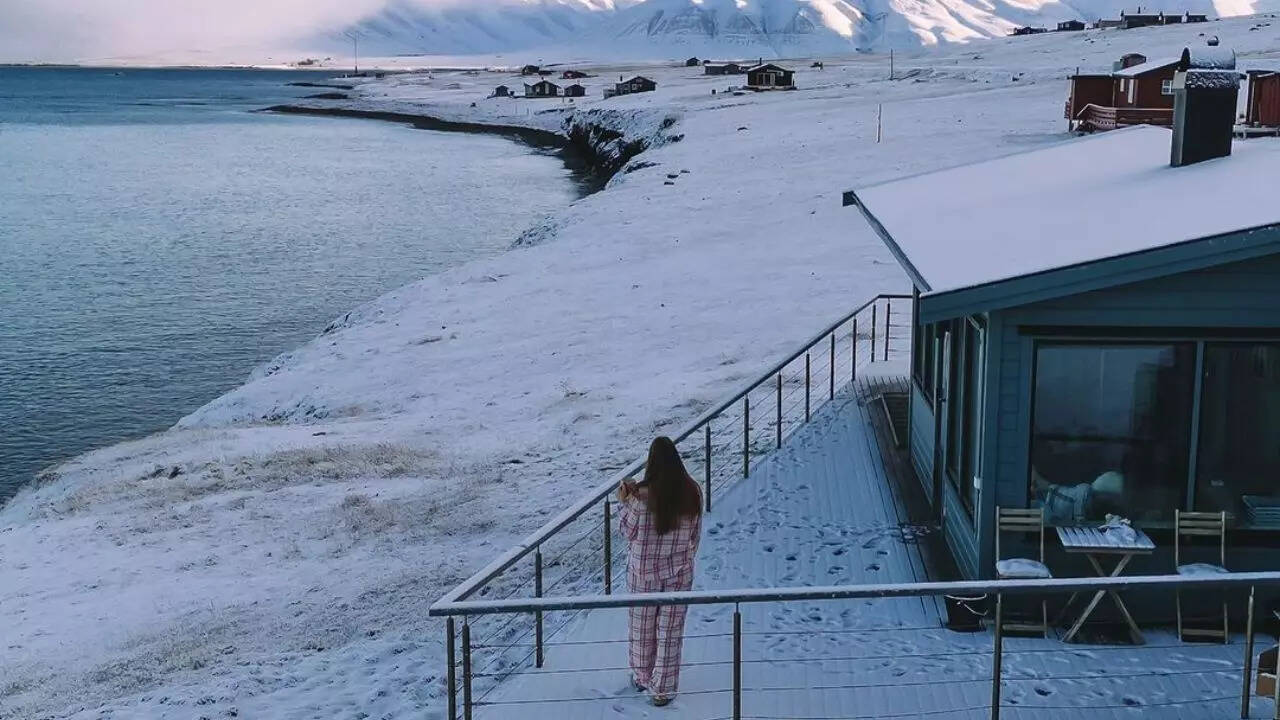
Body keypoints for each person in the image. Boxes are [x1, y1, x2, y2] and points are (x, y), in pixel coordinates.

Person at [617, 436, 703, 707]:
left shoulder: (641, 497)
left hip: (643, 573)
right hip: (679, 573)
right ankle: (663, 690)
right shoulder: (693, 492)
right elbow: (694, 537)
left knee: (642, 628)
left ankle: (643, 676)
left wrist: (625, 499)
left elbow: (626, 532)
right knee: (670, 631)